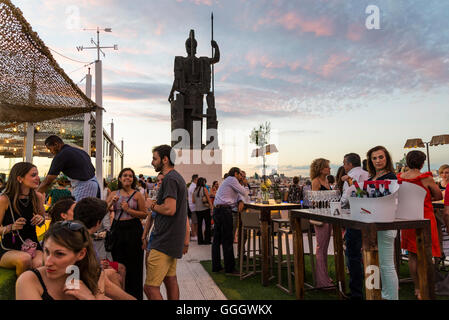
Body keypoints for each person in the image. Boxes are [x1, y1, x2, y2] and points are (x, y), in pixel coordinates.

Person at [15, 220, 107, 300]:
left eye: (59, 254)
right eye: (46, 251)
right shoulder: (30, 280)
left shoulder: (94, 275)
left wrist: (88, 297)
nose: (48, 262)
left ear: (81, 254)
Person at [145, 144, 190, 300]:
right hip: (172, 239)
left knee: (150, 288)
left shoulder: (170, 179)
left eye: (154, 158)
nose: (152, 162)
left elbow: (170, 209)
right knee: (170, 279)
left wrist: (151, 204)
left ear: (165, 159)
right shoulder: (177, 178)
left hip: (163, 240)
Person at [398, 150, 442, 299]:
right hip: (425, 217)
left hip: (408, 219)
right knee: (427, 254)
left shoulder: (400, 178)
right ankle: (426, 286)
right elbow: (438, 195)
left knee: (412, 255)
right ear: (422, 163)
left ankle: (417, 288)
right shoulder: (426, 178)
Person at [74, 197, 134, 300]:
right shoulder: (85, 244)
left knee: (114, 274)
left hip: (77, 283)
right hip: (80, 287)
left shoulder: (73, 235)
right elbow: (101, 283)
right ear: (98, 223)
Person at [106, 168, 147, 300]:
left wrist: (129, 210)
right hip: (117, 229)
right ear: (120, 178)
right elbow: (103, 210)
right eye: (125, 175)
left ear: (133, 179)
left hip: (133, 229)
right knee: (118, 263)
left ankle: (135, 296)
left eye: (130, 176)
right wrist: (111, 203)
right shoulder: (113, 193)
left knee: (134, 265)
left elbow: (144, 213)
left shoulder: (137, 195)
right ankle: (120, 294)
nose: (127, 178)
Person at [0, 162, 46, 276]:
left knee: (38, 264)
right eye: (33, 175)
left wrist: (41, 219)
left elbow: (43, 220)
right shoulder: (4, 200)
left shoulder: (37, 197)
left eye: (37, 175)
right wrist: (11, 227)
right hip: (8, 247)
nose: (38, 178)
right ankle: (22, 292)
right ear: (20, 178)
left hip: (32, 244)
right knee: (24, 259)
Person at [366, 145, 398, 300]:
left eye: (380, 157)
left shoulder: (391, 177)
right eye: (374, 158)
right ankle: (375, 295)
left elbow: (390, 201)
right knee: (371, 263)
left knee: (386, 265)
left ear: (387, 158)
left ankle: (391, 297)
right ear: (370, 161)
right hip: (370, 223)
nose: (377, 161)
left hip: (386, 223)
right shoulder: (369, 179)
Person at [38, 135, 100, 201]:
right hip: (94, 183)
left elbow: (48, 181)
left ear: (56, 144)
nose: (51, 152)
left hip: (84, 186)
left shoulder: (61, 155)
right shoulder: (80, 151)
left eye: (50, 149)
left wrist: (35, 194)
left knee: (79, 210)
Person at [341, 153, 369, 300]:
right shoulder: (368, 174)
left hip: (355, 217)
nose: (344, 166)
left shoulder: (350, 177)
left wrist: (337, 206)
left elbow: (346, 198)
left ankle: (357, 293)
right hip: (371, 217)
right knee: (371, 253)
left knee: (353, 255)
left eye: (344, 163)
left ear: (349, 164)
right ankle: (374, 289)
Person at [212, 167, 248, 275]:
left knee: (217, 241)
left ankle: (216, 266)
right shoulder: (232, 180)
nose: (242, 177)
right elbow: (243, 192)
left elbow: (238, 196)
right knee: (228, 240)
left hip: (217, 210)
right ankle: (230, 269)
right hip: (224, 211)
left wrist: (240, 199)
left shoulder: (227, 182)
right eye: (241, 175)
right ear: (236, 174)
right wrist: (244, 184)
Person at [310, 158, 333, 288]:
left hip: (327, 215)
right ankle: (322, 281)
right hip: (321, 217)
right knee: (321, 248)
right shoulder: (316, 182)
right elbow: (314, 201)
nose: (329, 169)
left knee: (324, 248)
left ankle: (324, 278)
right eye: (327, 167)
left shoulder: (326, 181)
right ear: (320, 169)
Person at [142, 173, 164, 264]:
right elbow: (150, 218)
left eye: (162, 180)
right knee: (148, 263)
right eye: (158, 180)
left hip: (166, 239)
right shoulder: (156, 198)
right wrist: (144, 236)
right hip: (154, 236)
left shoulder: (170, 200)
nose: (159, 183)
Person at [192, 177, 213, 245]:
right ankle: (207, 240)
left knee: (199, 225)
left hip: (197, 210)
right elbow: (208, 199)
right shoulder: (204, 189)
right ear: (203, 182)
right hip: (205, 209)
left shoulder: (195, 190)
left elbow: (193, 201)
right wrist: (211, 207)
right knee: (207, 225)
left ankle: (200, 241)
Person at [188, 174, 199, 241]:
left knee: (194, 221)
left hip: (192, 205)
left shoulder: (192, 186)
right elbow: (194, 197)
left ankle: (194, 234)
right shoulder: (193, 186)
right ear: (195, 179)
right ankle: (194, 235)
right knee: (194, 221)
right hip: (193, 206)